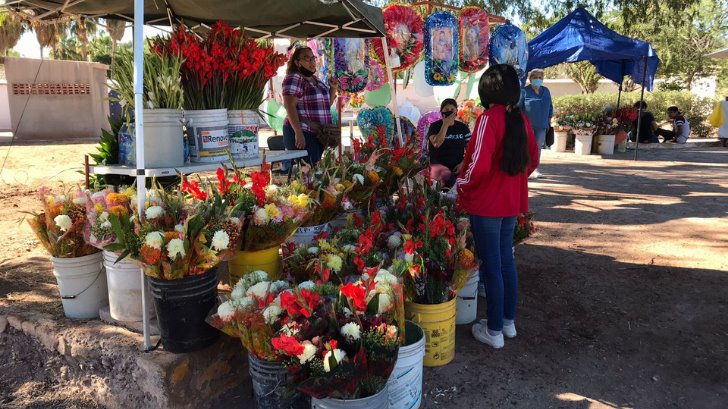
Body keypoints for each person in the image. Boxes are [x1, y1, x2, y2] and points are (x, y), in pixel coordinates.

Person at [456, 64, 539, 349]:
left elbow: (477, 165)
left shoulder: (489, 119)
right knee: (506, 263)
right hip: (511, 204)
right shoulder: (522, 119)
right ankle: (507, 323)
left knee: (492, 266)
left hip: (487, 205)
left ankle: (493, 331)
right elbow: (533, 160)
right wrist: (512, 183)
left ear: (487, 90)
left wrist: (461, 185)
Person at [282, 46, 337, 166]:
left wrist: (333, 88)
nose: (312, 62)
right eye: (307, 59)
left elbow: (327, 104)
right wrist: (298, 132)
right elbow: (289, 105)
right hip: (303, 131)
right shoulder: (294, 77)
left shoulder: (315, 79)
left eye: (313, 58)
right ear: (297, 62)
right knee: (310, 171)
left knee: (314, 170)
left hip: (318, 133)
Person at [427, 98, 472, 187]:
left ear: (456, 111)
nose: (450, 112)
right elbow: (436, 143)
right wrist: (445, 125)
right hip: (438, 171)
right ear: (441, 112)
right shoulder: (434, 126)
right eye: (446, 110)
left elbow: (470, 149)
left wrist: (463, 163)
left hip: (457, 170)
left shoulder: (463, 128)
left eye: (452, 110)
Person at [518, 69, 552, 179]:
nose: (538, 79)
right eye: (535, 77)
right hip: (527, 126)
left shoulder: (546, 90)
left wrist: (549, 118)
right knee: (527, 147)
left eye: (540, 78)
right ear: (530, 79)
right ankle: (525, 169)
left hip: (542, 125)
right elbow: (518, 108)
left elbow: (550, 106)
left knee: (537, 148)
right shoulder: (524, 91)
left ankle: (534, 169)